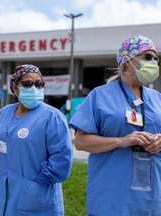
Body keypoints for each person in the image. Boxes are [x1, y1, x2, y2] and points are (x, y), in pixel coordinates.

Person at [69, 35, 161, 215]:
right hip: (112, 195)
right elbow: (81, 142)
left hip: (153, 196)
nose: (154, 63)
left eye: (156, 59)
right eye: (147, 57)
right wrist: (121, 141)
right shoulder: (100, 96)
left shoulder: (157, 99)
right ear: (127, 61)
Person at [0, 64, 73, 215]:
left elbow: (62, 157)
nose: (34, 88)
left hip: (38, 197)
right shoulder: (4, 113)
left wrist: (38, 183)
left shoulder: (52, 116)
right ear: (15, 88)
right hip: (6, 193)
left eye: (38, 84)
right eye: (27, 84)